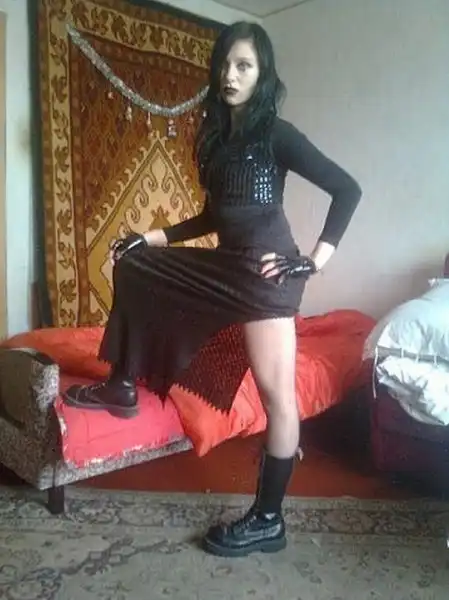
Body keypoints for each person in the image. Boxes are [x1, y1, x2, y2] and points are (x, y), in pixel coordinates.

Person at [63, 21, 362, 557]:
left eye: (244, 65)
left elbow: (347, 190)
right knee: (135, 264)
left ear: (262, 74)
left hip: (266, 279)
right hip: (227, 267)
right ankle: (122, 384)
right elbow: (211, 217)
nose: (231, 75)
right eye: (225, 64)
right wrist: (150, 237)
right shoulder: (218, 141)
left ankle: (268, 520)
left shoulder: (277, 134)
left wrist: (312, 262)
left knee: (278, 398)